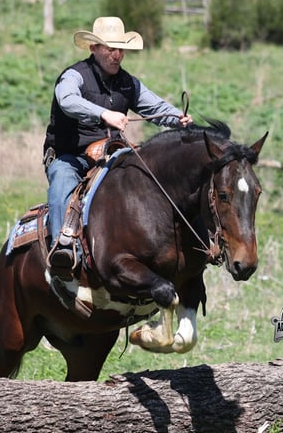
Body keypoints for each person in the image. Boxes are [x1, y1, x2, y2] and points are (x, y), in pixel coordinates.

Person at [43, 16, 193, 280]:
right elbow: (66, 101)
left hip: (111, 156)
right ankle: (62, 248)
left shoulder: (128, 83)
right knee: (62, 176)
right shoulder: (73, 76)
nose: (117, 54)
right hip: (71, 156)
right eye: (110, 48)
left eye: (120, 48)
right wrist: (104, 114)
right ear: (94, 48)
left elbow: (156, 109)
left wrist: (177, 118)